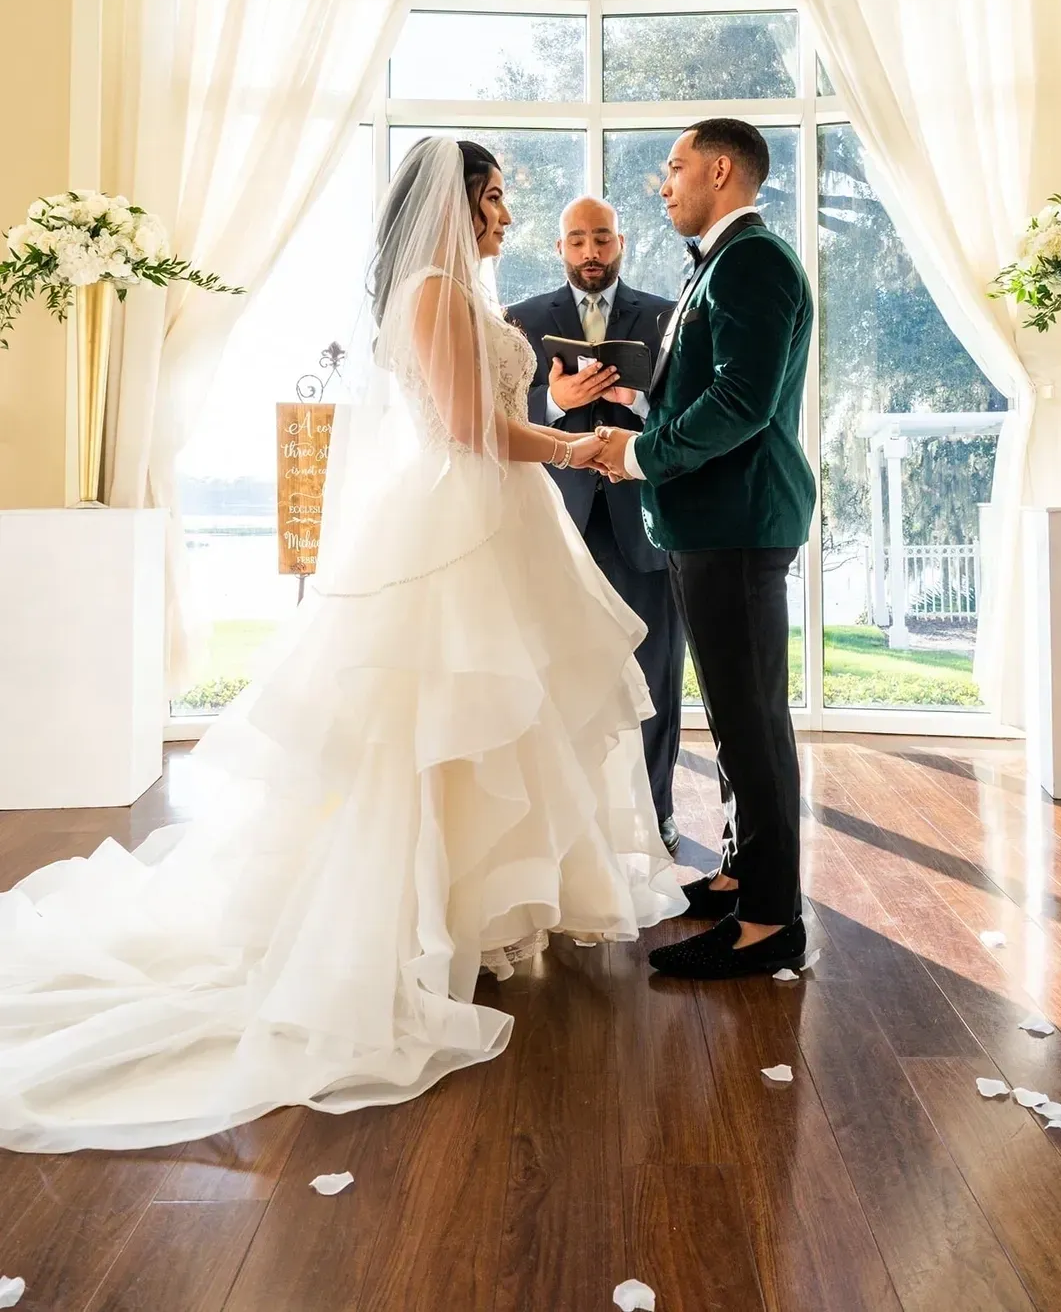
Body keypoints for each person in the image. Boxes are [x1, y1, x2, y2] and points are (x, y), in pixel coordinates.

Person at [0, 137, 684, 1154]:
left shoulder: (451, 291)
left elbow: (492, 409)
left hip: (496, 520)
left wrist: (556, 412)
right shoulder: (433, 293)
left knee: (508, 720)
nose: (504, 219)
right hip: (461, 523)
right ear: (453, 205)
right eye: (493, 201)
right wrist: (580, 445)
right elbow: (469, 429)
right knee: (441, 722)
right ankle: (418, 919)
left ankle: (479, 910)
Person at [593, 118, 815, 981]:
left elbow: (741, 401)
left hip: (737, 520)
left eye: (675, 166)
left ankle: (769, 921)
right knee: (731, 718)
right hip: (710, 522)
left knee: (753, 724)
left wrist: (642, 453)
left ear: (721, 170)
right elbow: (704, 387)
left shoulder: (753, 259)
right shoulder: (726, 261)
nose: (664, 182)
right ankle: (738, 873)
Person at [506, 198, 686, 855]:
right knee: (553, 681)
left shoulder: (668, 317)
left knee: (656, 676)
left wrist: (635, 401)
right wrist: (558, 401)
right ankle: (565, 828)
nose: (591, 252)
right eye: (578, 239)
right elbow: (492, 412)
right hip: (553, 528)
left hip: (641, 526)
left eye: (602, 238)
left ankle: (656, 815)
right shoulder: (521, 320)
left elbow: (692, 412)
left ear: (622, 242)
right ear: (559, 247)